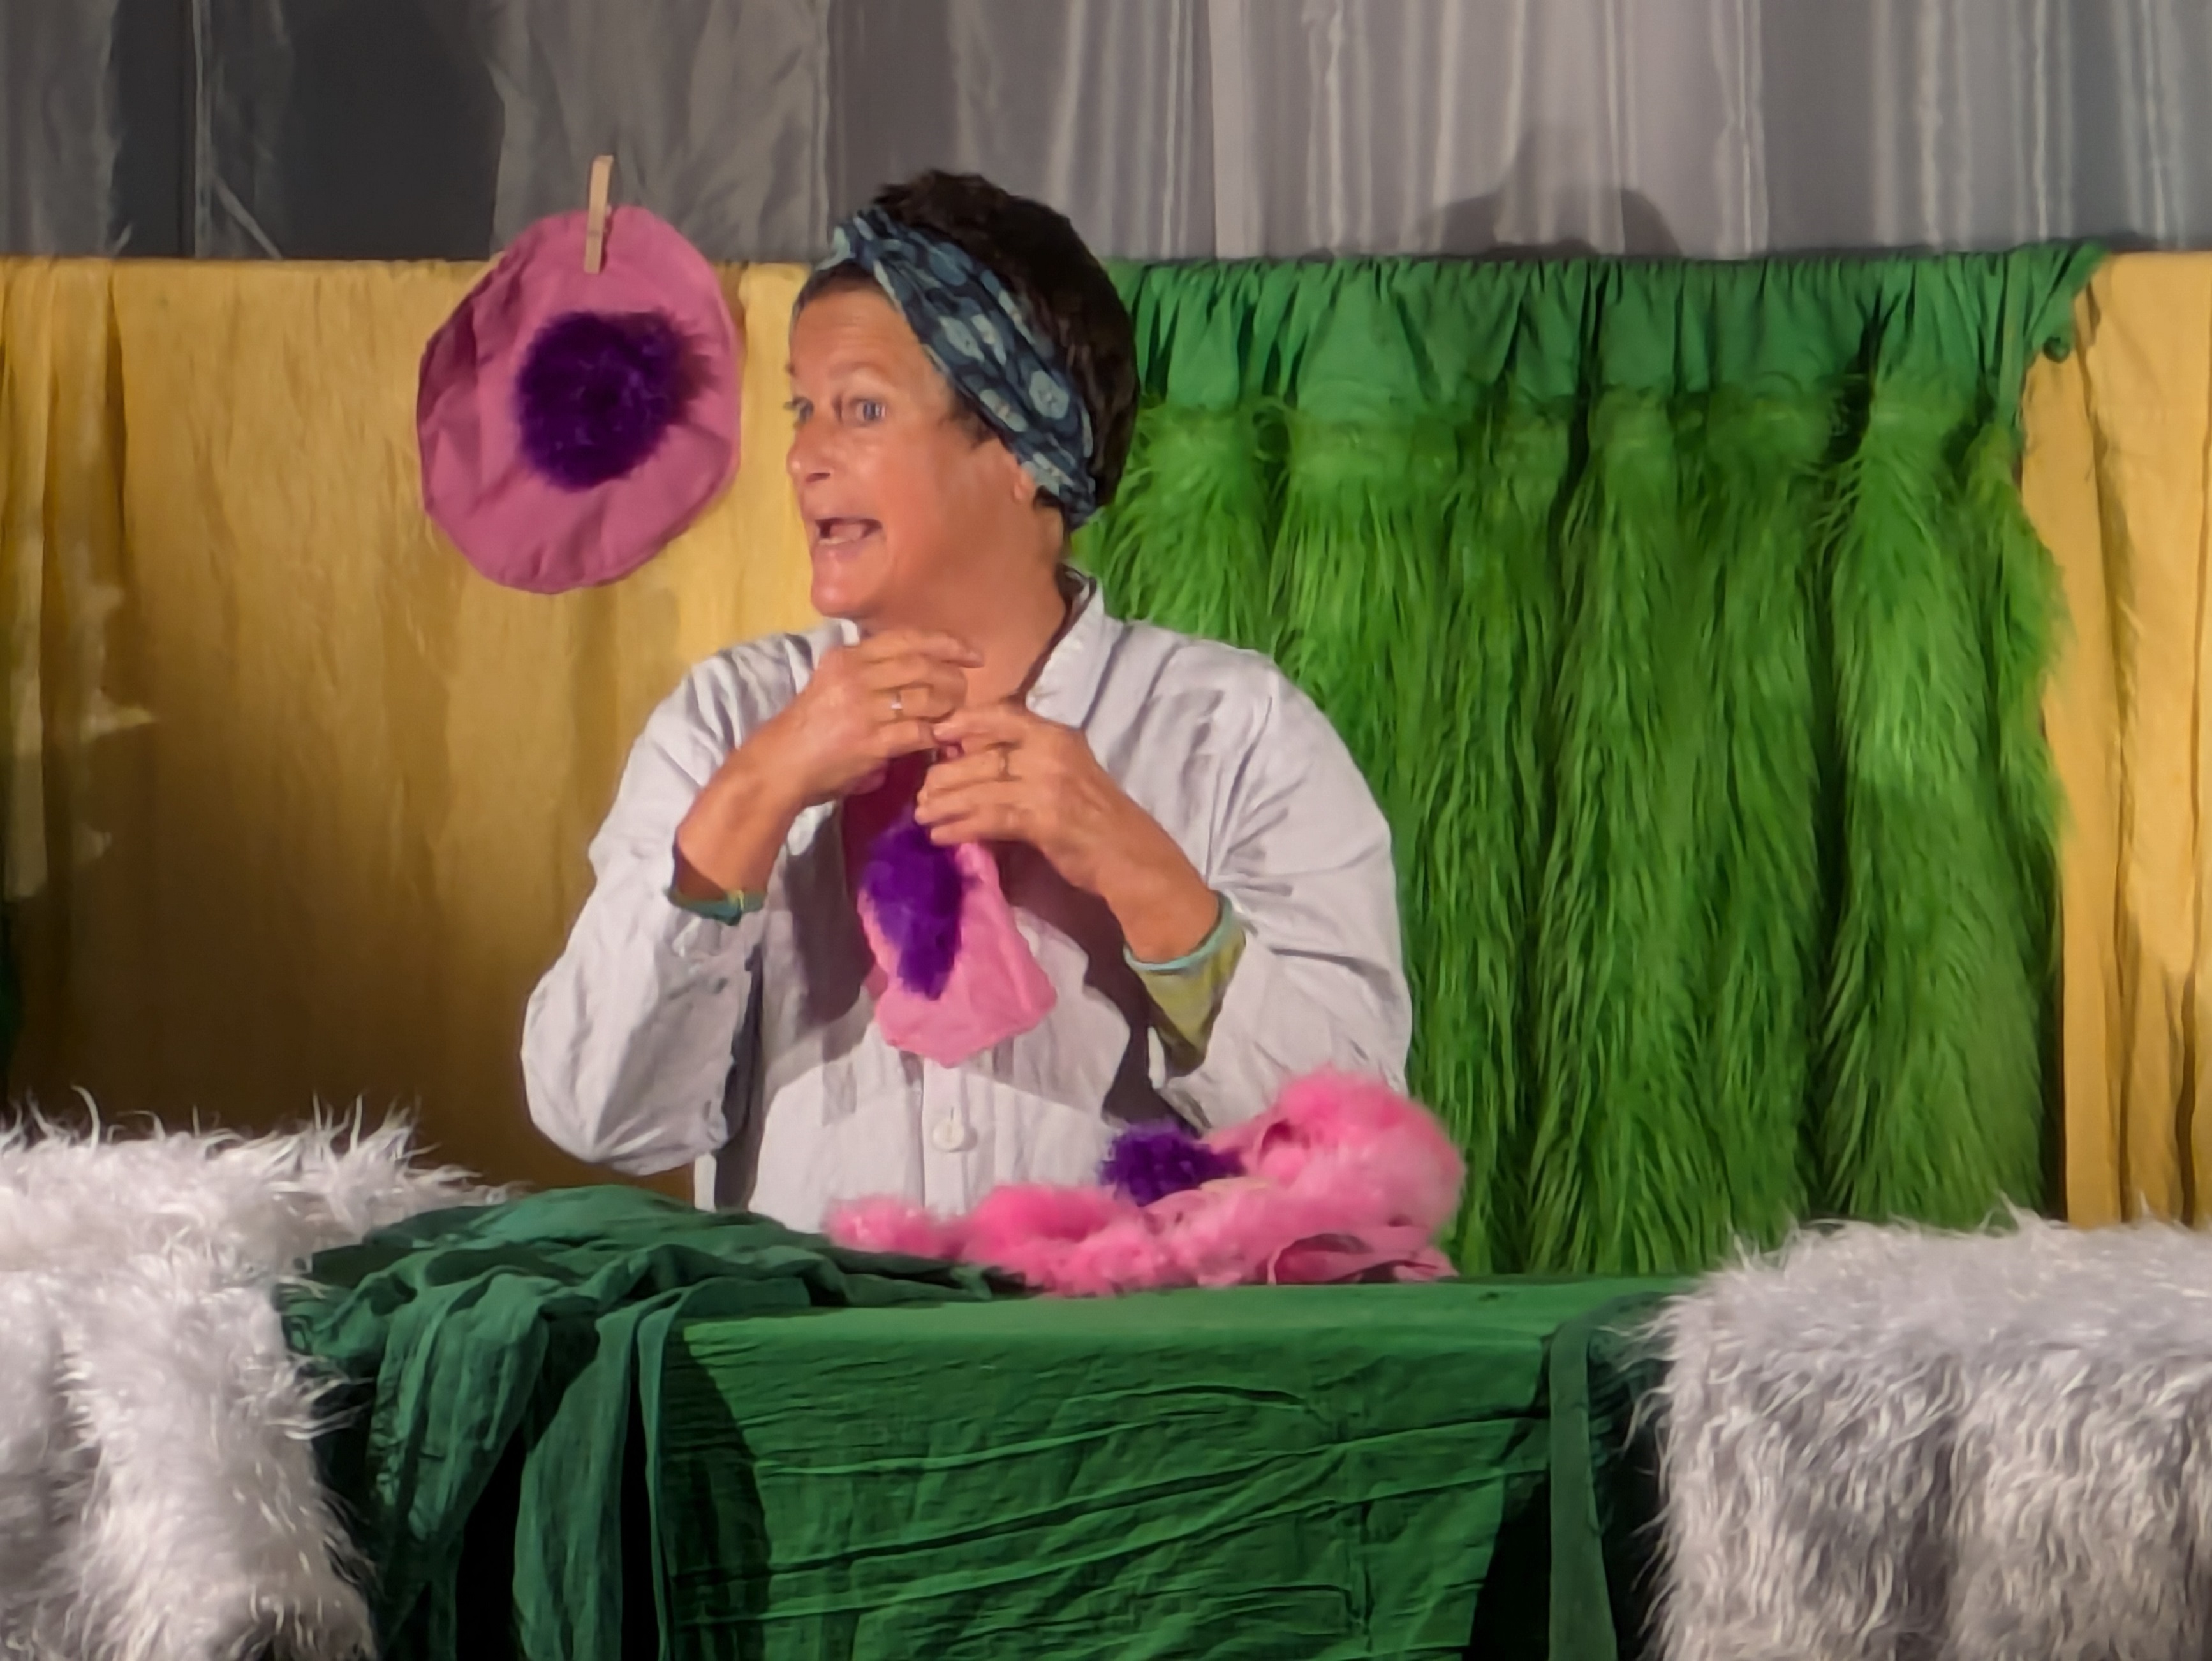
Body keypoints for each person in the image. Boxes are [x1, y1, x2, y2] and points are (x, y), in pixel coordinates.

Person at [523, 172, 1409, 1230]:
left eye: (862, 409)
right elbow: (600, 1116)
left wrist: (1146, 878)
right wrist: (754, 796)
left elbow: (1358, 1152)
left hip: (1130, 1341)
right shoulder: (727, 721)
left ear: (1024, 453)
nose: (803, 458)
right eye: (804, 410)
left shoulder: (1237, 734)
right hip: (817, 1341)